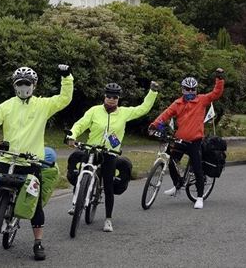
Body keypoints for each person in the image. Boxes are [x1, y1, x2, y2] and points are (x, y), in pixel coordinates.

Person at [0, 64, 73, 261]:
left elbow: (64, 99)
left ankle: (38, 242)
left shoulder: (42, 105)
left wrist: (66, 77)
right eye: (19, 83)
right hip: (7, 158)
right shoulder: (6, 106)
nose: (23, 87)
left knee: (34, 203)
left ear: (34, 85)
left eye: (27, 83)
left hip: (31, 162)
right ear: (14, 85)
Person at [66, 81, 159, 232]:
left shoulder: (124, 113)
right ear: (104, 96)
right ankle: (76, 202)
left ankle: (108, 219)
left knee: (108, 185)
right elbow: (80, 124)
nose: (111, 99)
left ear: (118, 99)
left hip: (110, 153)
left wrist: (152, 92)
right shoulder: (94, 111)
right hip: (92, 149)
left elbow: (143, 109)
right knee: (83, 172)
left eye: (115, 97)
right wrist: (72, 135)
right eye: (109, 96)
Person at [149, 68, 225, 209]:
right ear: (182, 89)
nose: (190, 92)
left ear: (196, 90)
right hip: (179, 140)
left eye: (192, 89)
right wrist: (154, 125)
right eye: (187, 89)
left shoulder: (202, 100)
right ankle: (177, 184)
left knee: (197, 169)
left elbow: (216, 93)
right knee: (171, 160)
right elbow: (165, 114)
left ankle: (200, 197)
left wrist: (219, 79)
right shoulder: (177, 103)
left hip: (195, 141)